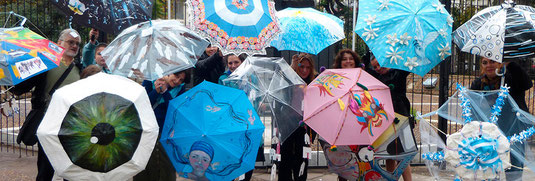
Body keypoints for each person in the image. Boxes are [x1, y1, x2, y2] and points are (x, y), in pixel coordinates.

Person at [11, 28, 83, 181]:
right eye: (71, 42)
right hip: (48, 124)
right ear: (59, 43)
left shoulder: (79, 69)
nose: (74, 46)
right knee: (45, 169)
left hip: (71, 126)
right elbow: (22, 85)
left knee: (70, 169)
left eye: (77, 43)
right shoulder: (46, 64)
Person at [470, 57, 533, 181]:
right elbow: (473, 108)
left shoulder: (511, 77)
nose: (489, 65)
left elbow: (527, 83)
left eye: (492, 61)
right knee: (491, 167)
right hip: (491, 132)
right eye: (485, 63)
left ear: (500, 62)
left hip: (515, 129)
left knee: (514, 166)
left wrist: (509, 63)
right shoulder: (479, 83)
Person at [135, 70, 190, 181]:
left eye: (181, 80)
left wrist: (165, 92)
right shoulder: (150, 80)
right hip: (147, 129)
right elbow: (143, 103)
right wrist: (156, 91)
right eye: (176, 76)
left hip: (166, 131)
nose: (177, 81)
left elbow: (174, 109)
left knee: (166, 163)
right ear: (170, 72)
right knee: (146, 161)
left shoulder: (180, 90)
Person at [368, 54, 413, 181]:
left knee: (403, 153)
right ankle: (391, 178)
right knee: (389, 153)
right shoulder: (377, 76)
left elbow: (408, 66)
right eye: (375, 66)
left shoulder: (398, 72)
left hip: (400, 115)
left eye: (379, 64)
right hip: (384, 117)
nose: (377, 68)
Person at [275, 53, 317, 181]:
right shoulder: (290, 80)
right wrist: (292, 67)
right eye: (301, 66)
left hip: (305, 127)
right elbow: (281, 89)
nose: (304, 70)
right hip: (287, 124)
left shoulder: (314, 83)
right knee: (285, 160)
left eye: (307, 67)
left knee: (301, 160)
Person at [332, 49, 363, 181]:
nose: (348, 61)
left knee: (360, 158)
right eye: (344, 59)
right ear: (340, 62)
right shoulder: (334, 77)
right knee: (344, 160)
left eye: (351, 58)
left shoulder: (361, 76)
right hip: (341, 122)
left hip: (358, 121)